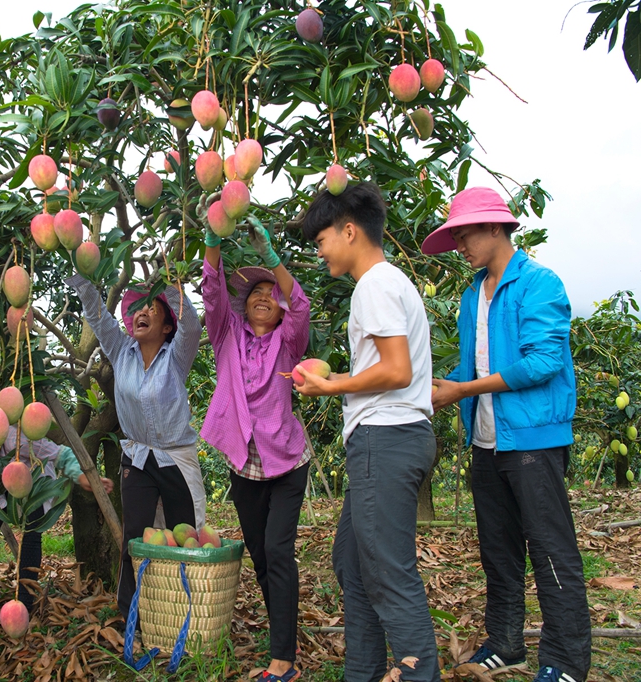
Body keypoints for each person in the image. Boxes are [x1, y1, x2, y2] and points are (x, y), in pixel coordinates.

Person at [422, 187, 589, 682]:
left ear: (496, 227)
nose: (460, 246)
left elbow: (543, 362)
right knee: (498, 548)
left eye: (466, 233)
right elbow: (473, 365)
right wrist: (430, 386)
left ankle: (565, 659)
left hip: (534, 440)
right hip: (487, 440)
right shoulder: (474, 293)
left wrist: (463, 389)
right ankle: (506, 642)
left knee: (551, 550)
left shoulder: (538, 283)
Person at [295, 182, 440, 682]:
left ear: (350, 230)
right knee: (353, 563)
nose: (319, 252)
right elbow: (389, 370)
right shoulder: (391, 282)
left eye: (321, 241)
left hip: (387, 437)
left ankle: (419, 673)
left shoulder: (374, 285)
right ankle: (361, 672)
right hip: (390, 435)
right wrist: (334, 379)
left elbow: (396, 371)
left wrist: (330, 391)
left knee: (387, 572)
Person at [199, 203, 312, 681]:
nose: (264, 297)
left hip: (287, 460)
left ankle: (283, 661)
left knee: (279, 551)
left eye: (272, 293)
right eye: (256, 292)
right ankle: (281, 629)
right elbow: (212, 293)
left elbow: (301, 306)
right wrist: (214, 241)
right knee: (262, 556)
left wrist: (273, 258)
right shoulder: (225, 334)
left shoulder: (288, 342)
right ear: (243, 304)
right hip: (243, 464)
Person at [65, 272, 205, 623]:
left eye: (150, 308)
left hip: (175, 456)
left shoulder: (177, 356)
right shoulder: (121, 352)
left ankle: (183, 616)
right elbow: (98, 316)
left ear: (167, 327)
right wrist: (81, 274)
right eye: (136, 308)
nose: (140, 313)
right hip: (138, 457)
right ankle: (132, 618)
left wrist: (169, 286)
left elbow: (192, 326)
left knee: (184, 535)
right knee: (136, 540)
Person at [0, 425, 113, 611]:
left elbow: (61, 454)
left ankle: (24, 604)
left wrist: (81, 476)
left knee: (31, 537)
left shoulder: (16, 437)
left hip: (32, 487)